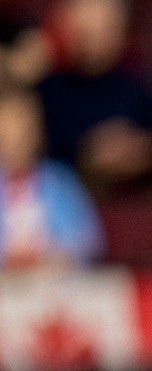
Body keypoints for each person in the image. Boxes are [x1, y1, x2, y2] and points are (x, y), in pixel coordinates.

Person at [33, 0, 152, 186]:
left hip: (135, 191)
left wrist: (142, 149)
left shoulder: (135, 85)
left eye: (108, 30)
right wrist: (88, 151)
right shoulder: (46, 89)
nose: (98, 41)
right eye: (89, 33)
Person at [0, 84, 100, 271]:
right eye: (6, 133)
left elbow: (88, 242)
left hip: (53, 288)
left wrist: (52, 259)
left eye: (24, 131)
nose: (15, 143)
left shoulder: (60, 181)